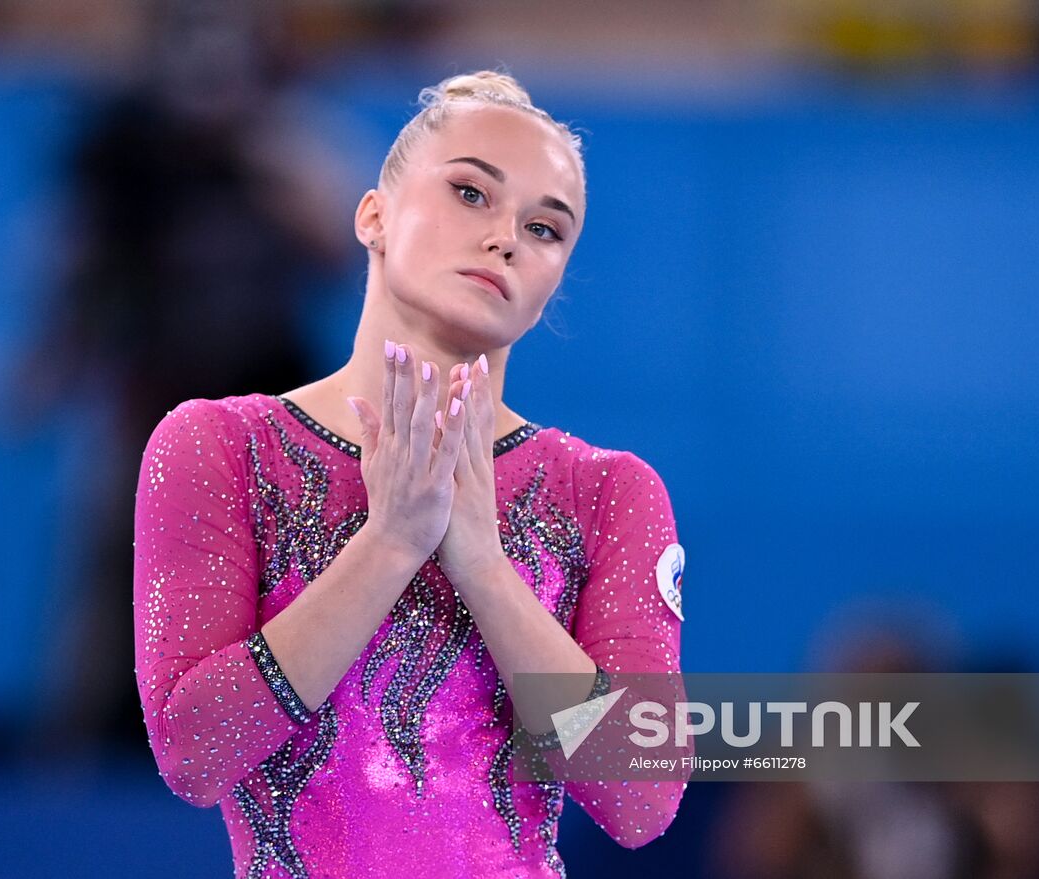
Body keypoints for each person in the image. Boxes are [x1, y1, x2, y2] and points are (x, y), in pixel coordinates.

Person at [132, 69, 688, 877]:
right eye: (471, 193)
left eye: (544, 229)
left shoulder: (606, 494)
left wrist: (484, 565)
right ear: (374, 215)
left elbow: (642, 800)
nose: (504, 236)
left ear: (554, 281)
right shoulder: (220, 447)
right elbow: (195, 751)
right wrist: (390, 541)